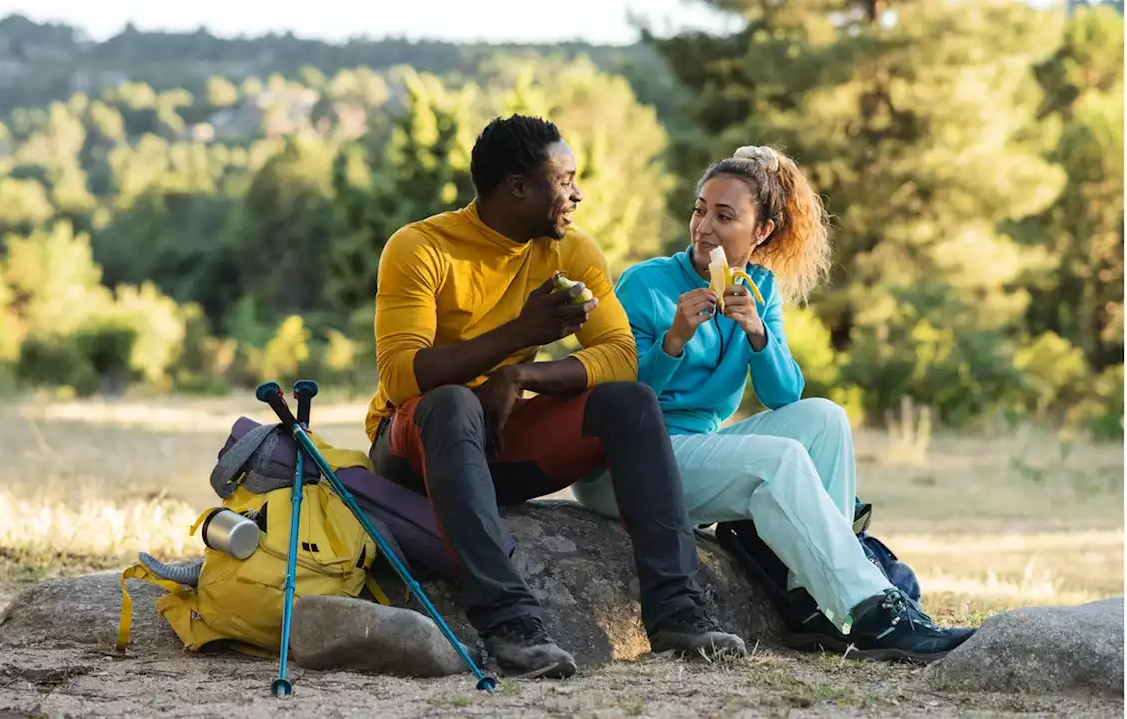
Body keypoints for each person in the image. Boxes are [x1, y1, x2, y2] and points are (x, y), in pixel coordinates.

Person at [364, 114, 747, 680]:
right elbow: (400, 377)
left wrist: (521, 377)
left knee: (631, 402)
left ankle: (677, 613)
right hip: (417, 447)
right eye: (564, 179)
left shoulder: (570, 250)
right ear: (518, 188)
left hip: (502, 442)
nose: (578, 193)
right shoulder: (421, 247)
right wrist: (520, 334)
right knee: (452, 402)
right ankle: (512, 624)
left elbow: (619, 355)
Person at [572, 145, 976, 663]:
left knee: (825, 419)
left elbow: (784, 394)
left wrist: (758, 332)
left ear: (760, 232)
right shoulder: (646, 283)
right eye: (700, 210)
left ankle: (811, 604)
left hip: (698, 448)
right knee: (777, 461)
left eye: (724, 216)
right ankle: (871, 611)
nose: (704, 228)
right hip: (628, 465)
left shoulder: (759, 286)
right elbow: (620, 393)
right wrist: (673, 340)